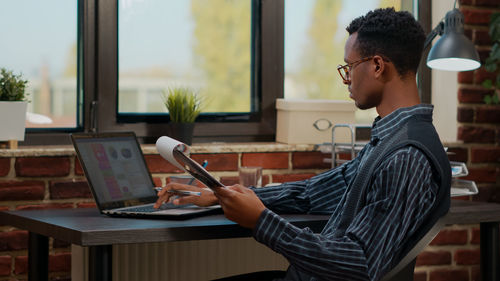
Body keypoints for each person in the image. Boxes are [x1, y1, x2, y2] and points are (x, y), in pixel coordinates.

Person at [154, 7, 451, 281]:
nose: (346, 78)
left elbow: (360, 263)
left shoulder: (407, 157)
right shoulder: (390, 139)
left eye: (350, 66)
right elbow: (311, 194)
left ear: (376, 66)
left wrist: (261, 221)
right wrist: (222, 194)